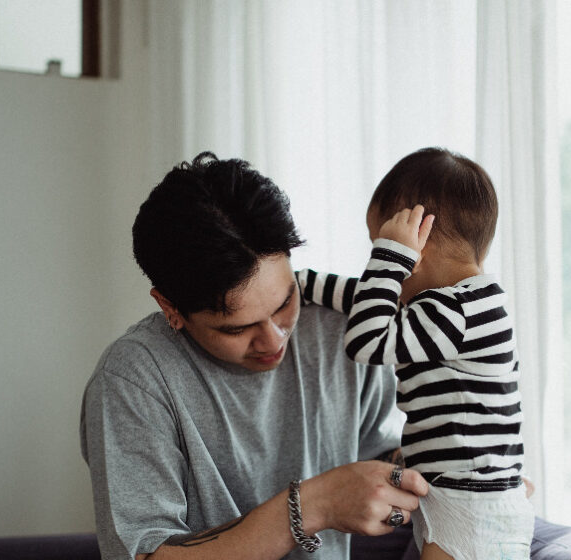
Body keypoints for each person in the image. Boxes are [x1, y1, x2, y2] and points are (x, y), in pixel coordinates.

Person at [79, 152, 429, 560]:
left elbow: (372, 460)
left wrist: (449, 467)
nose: (273, 339)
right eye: (236, 328)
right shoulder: (133, 379)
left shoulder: (343, 328)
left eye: (284, 303)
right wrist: (314, 505)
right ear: (170, 308)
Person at [296, 147, 534, 560]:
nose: (378, 270)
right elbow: (368, 299)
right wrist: (299, 283)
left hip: (469, 506)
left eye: (380, 247)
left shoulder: (455, 312)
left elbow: (366, 341)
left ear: (414, 251)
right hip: (461, 497)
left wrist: (390, 257)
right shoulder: (457, 306)